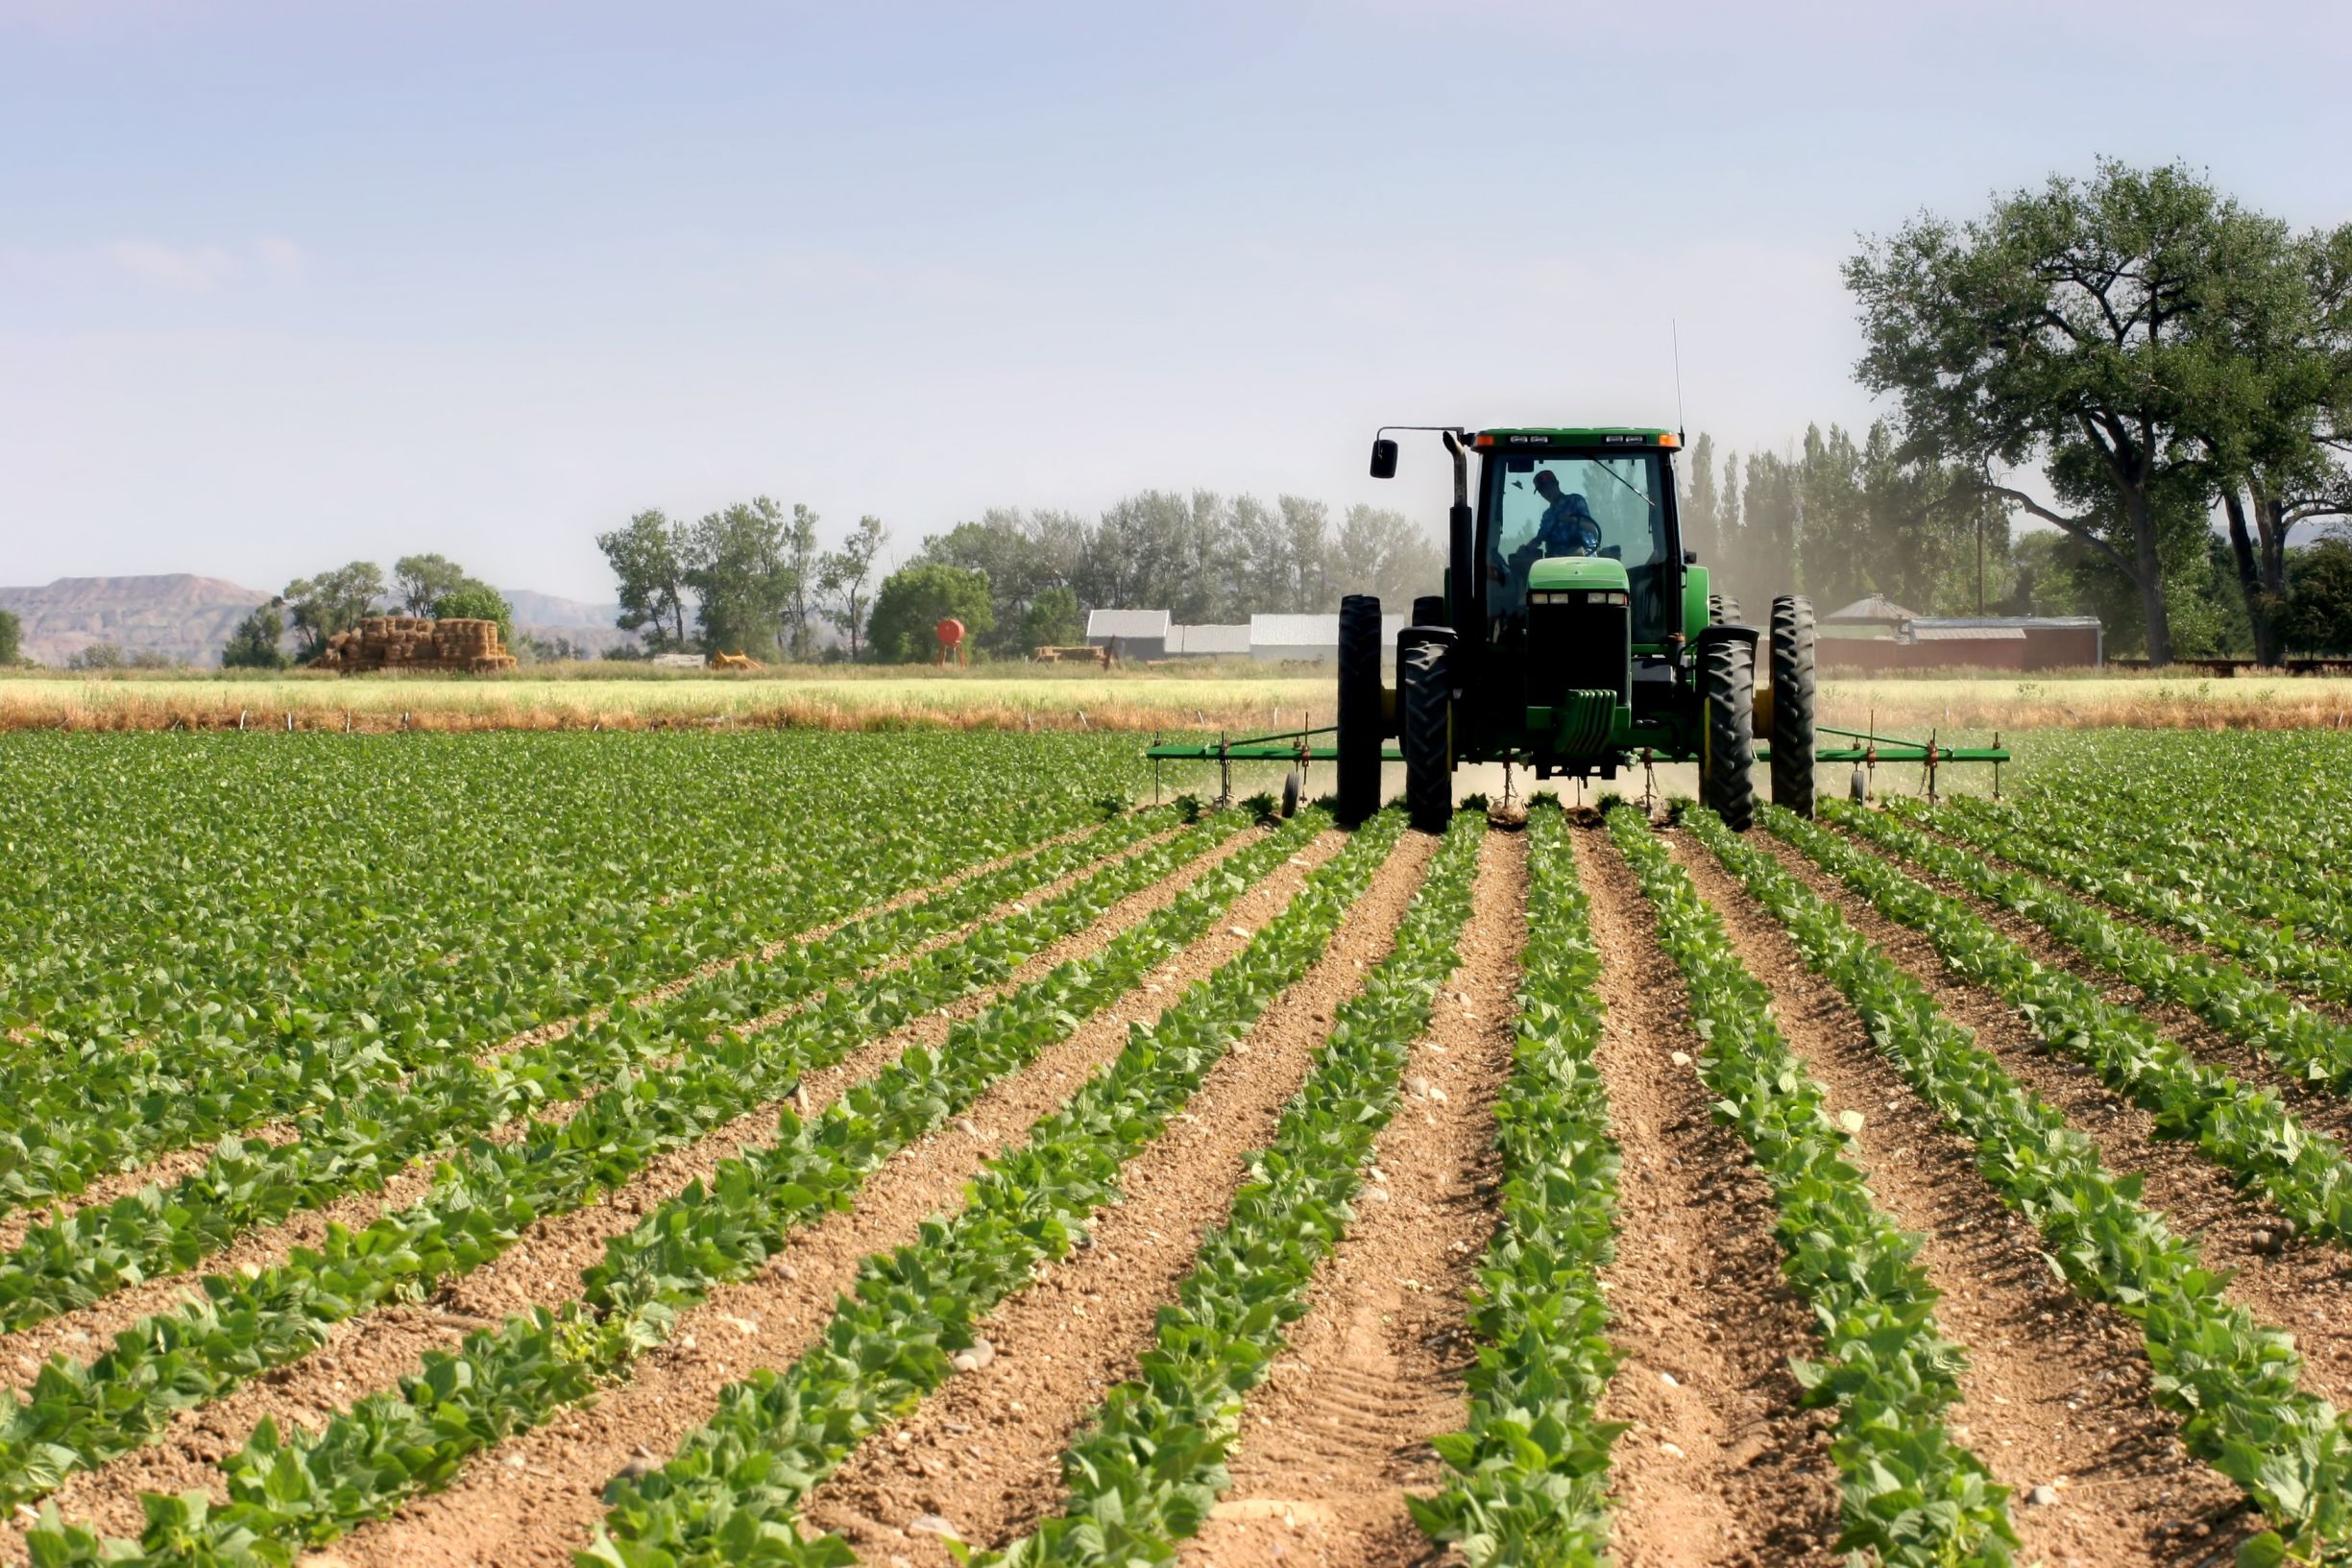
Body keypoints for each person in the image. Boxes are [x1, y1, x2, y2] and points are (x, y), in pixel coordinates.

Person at [1489, 471, 1603, 613]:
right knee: (1519, 564)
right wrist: (1525, 549)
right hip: (1557, 563)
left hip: (1583, 557)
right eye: (1542, 490)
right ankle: (1520, 611)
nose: (1546, 493)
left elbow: (1593, 529)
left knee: (1576, 551)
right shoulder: (1548, 515)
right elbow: (1539, 538)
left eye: (1548, 488)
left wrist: (1573, 520)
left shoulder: (1575, 501)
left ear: (1556, 484)